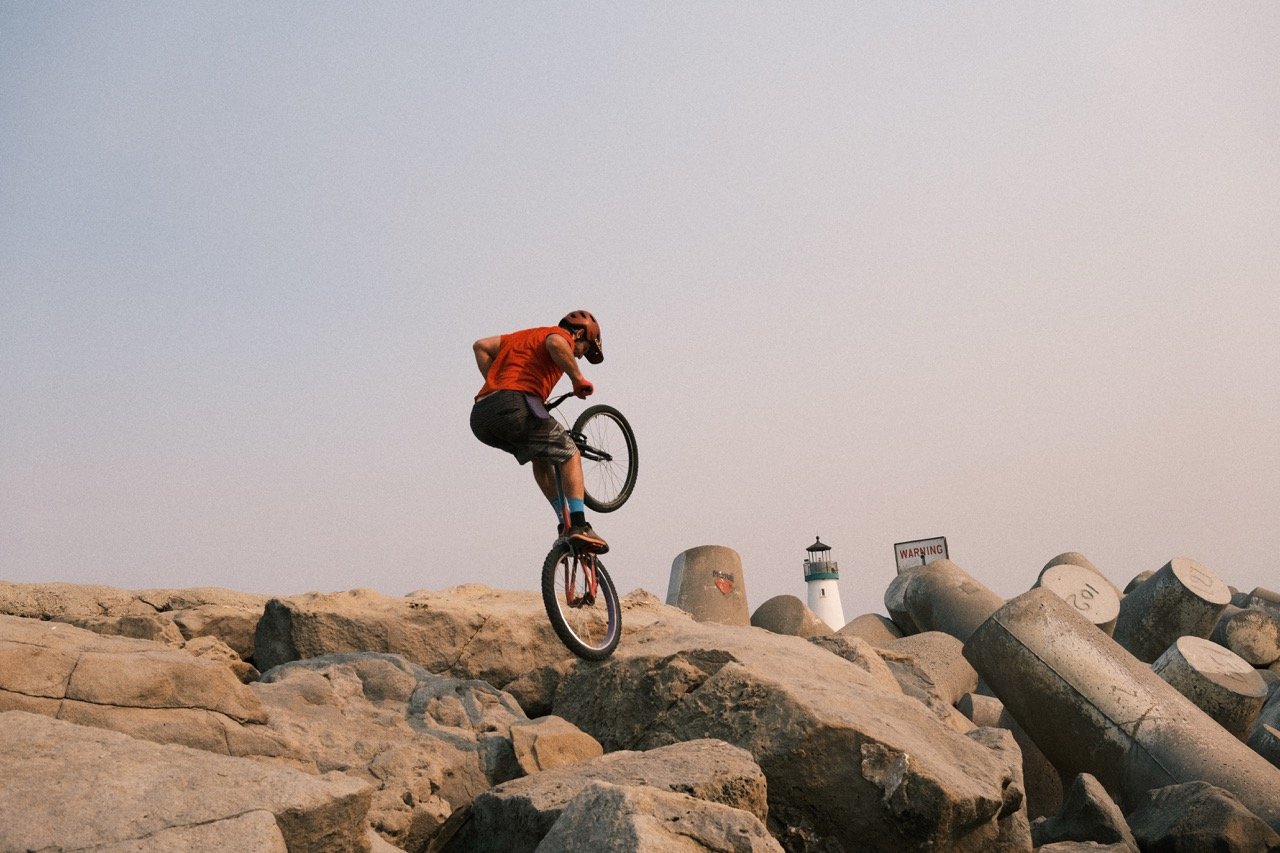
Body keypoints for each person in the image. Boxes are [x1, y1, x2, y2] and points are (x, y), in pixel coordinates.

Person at [470, 310, 609, 553]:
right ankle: (579, 525)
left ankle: (563, 523)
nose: (579, 354)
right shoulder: (559, 335)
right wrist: (577, 378)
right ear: (578, 333)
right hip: (513, 405)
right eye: (584, 349)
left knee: (540, 456)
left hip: (481, 417)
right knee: (570, 454)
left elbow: (481, 346)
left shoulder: (522, 337)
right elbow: (555, 343)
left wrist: (497, 383)